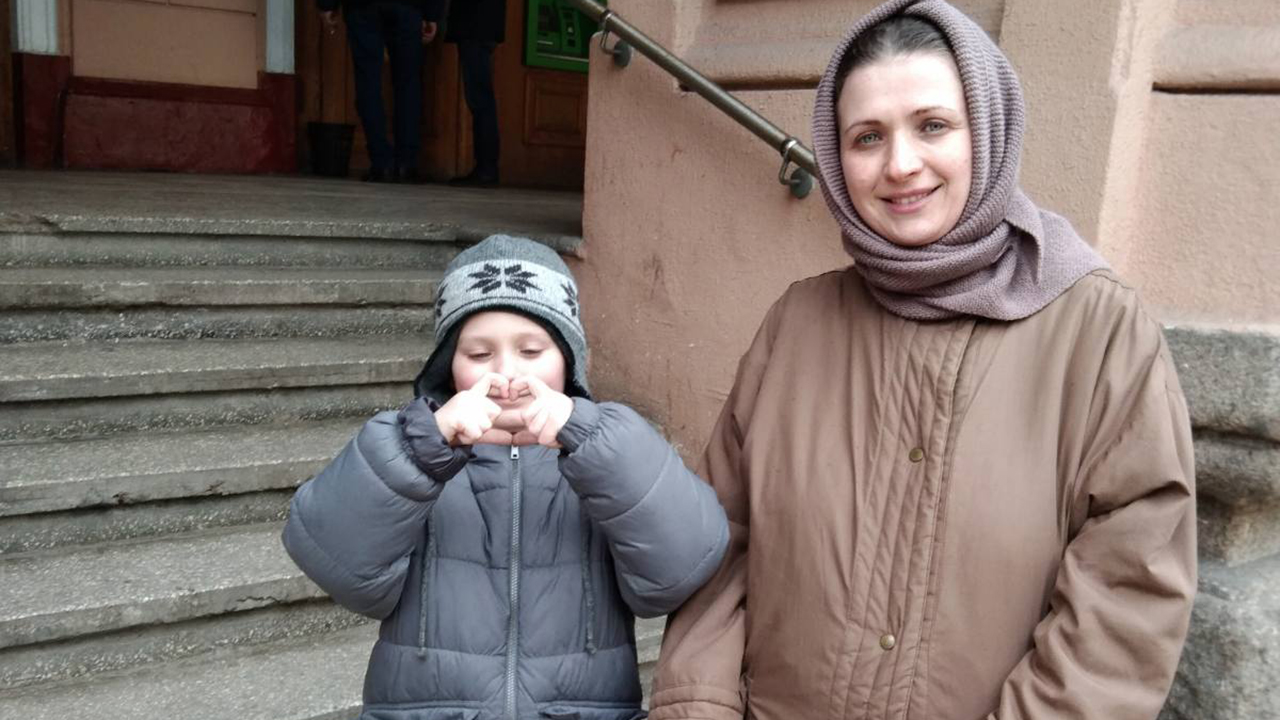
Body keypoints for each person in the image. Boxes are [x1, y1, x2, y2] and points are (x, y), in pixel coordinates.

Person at [648, 1, 1197, 719]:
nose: (900, 164)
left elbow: (1130, 588)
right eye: (867, 137)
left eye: (933, 125)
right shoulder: (798, 323)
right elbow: (719, 548)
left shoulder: (1098, 331)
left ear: (988, 128)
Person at [282, 234, 730, 720]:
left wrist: (595, 439)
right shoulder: (415, 454)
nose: (507, 373)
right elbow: (341, 567)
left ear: (568, 359)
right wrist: (421, 448)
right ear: (448, 368)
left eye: (533, 350)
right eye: (478, 354)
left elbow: (680, 569)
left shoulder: (605, 457)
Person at [319, 0, 443, 183]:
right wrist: (432, 13)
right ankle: (406, 164)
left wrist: (328, 4)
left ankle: (381, 162)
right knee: (408, 83)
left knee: (368, 81)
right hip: (408, 7)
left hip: (363, 7)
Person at [445, 0, 505, 187]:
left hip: (474, 26)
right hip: (485, 26)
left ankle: (486, 168)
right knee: (481, 99)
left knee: (479, 99)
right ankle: (487, 167)